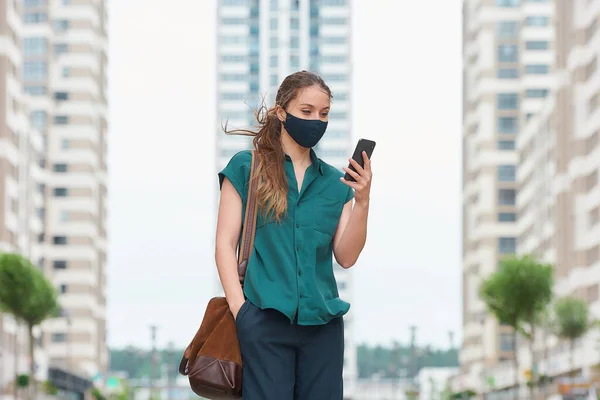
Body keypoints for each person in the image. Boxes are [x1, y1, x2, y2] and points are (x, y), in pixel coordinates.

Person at [215, 70, 372, 400]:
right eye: (307, 111)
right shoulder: (247, 168)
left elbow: (347, 256)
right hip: (263, 321)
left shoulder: (334, 183)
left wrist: (363, 201)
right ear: (282, 112)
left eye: (324, 113)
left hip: (323, 329)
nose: (316, 120)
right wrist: (240, 311)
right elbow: (225, 244)